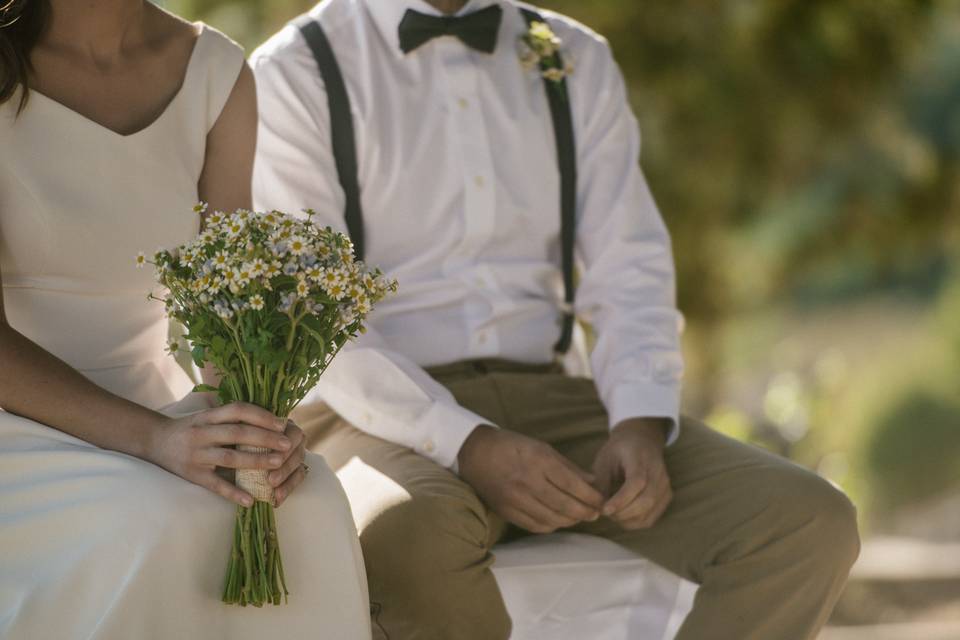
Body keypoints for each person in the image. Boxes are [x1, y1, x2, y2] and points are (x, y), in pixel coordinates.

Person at [252, 0, 861, 638]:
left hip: (552, 395)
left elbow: (630, 266)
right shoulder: (296, 71)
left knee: (807, 522)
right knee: (405, 537)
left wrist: (639, 418)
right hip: (372, 412)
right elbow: (314, 320)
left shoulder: (572, 55)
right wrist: (469, 443)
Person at [0, 1, 370, 637]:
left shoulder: (215, 73)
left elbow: (226, 298)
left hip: (162, 410)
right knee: (152, 519)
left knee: (306, 506)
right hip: (19, 423)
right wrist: (155, 441)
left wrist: (253, 419)